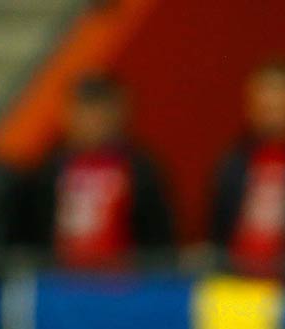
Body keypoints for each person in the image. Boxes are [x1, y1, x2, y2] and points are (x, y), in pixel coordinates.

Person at [23, 74, 173, 272]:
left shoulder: (140, 168)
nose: (94, 120)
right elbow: (36, 227)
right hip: (61, 282)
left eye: (101, 110)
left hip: (124, 284)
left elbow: (158, 233)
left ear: (120, 112)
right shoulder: (50, 168)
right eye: (85, 110)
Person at [206, 60, 285, 278]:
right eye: (265, 101)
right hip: (240, 288)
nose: (273, 106)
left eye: (282, 98)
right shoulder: (233, 162)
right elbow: (218, 228)